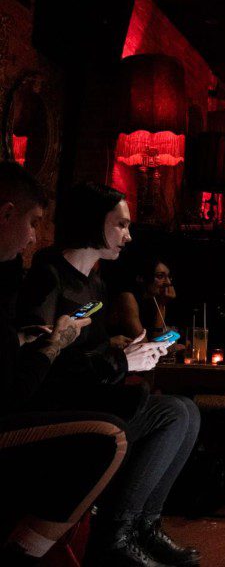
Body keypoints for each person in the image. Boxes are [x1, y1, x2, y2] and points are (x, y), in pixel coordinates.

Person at [16, 182, 201, 567]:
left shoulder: (96, 284)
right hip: (64, 413)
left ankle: (144, 526)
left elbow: (88, 354)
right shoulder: (49, 276)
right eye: (120, 225)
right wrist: (121, 363)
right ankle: (116, 534)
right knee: (173, 413)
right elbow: (45, 364)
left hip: (95, 398)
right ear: (92, 222)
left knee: (186, 412)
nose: (128, 235)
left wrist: (125, 351)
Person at [0, 162, 128, 567]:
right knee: (110, 434)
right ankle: (22, 553)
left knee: (165, 409)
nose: (35, 236)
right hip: (22, 407)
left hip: (35, 393)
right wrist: (53, 344)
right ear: (5, 213)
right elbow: (17, 390)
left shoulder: (95, 283)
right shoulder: (47, 274)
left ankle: (129, 528)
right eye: (33, 221)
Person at [109, 256, 177, 342]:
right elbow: (143, 343)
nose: (168, 282)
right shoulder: (128, 297)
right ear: (141, 278)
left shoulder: (153, 299)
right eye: (160, 276)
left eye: (168, 277)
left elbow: (157, 341)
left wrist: (161, 304)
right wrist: (161, 305)